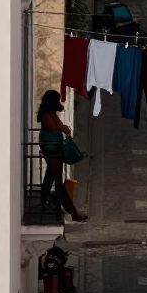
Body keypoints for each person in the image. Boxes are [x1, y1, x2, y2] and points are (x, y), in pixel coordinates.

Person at [37, 89, 87, 222]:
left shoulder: (51, 114)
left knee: (50, 177)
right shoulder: (47, 116)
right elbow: (57, 127)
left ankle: (45, 202)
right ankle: (71, 211)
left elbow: (61, 126)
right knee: (57, 180)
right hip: (51, 151)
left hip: (55, 150)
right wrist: (64, 129)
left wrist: (64, 128)